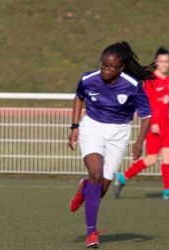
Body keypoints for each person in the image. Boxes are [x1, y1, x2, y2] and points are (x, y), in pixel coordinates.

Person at [68, 41, 153, 248]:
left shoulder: (132, 85)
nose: (106, 69)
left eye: (111, 66)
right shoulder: (88, 79)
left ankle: (84, 187)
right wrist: (75, 126)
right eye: (103, 64)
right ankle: (91, 233)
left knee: (100, 189)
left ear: (121, 67)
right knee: (96, 175)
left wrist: (139, 141)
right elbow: (79, 97)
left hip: (119, 133)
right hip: (93, 127)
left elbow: (146, 115)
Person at [113, 47, 169, 201]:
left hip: (167, 126)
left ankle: (168, 191)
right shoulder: (150, 81)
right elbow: (147, 104)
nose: (164, 64)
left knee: (168, 156)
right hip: (154, 126)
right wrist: (152, 122)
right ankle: (122, 178)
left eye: (167, 61)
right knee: (151, 159)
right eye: (161, 61)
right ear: (156, 62)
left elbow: (164, 105)